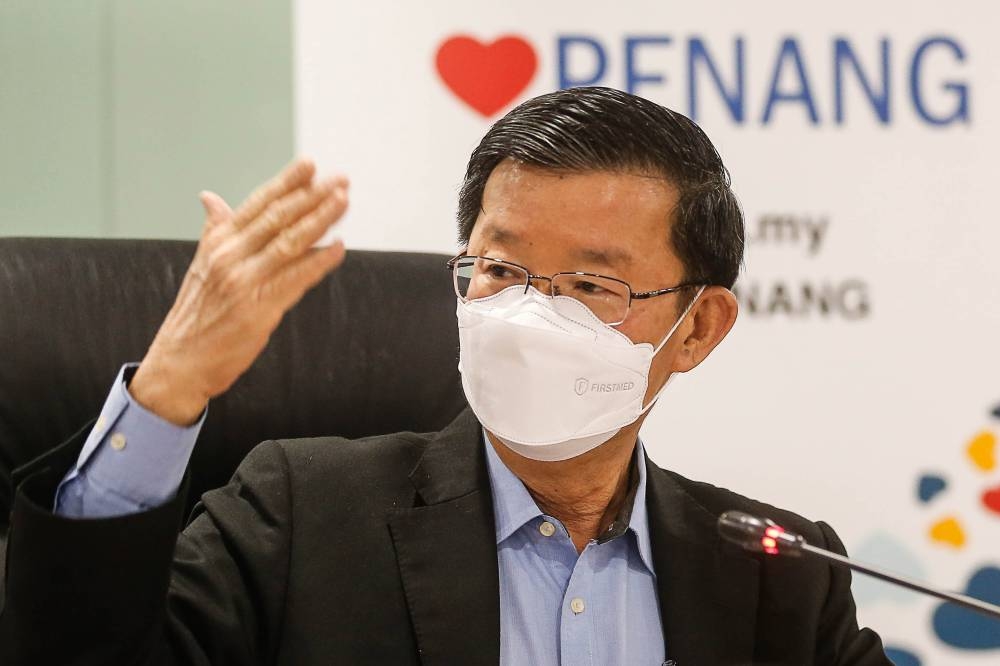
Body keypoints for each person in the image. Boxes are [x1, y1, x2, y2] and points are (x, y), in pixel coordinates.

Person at [1, 87, 889, 665]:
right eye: (500, 271)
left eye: (591, 286)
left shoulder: (783, 578)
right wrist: (166, 394)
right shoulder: (300, 517)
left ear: (698, 327)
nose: (533, 317)